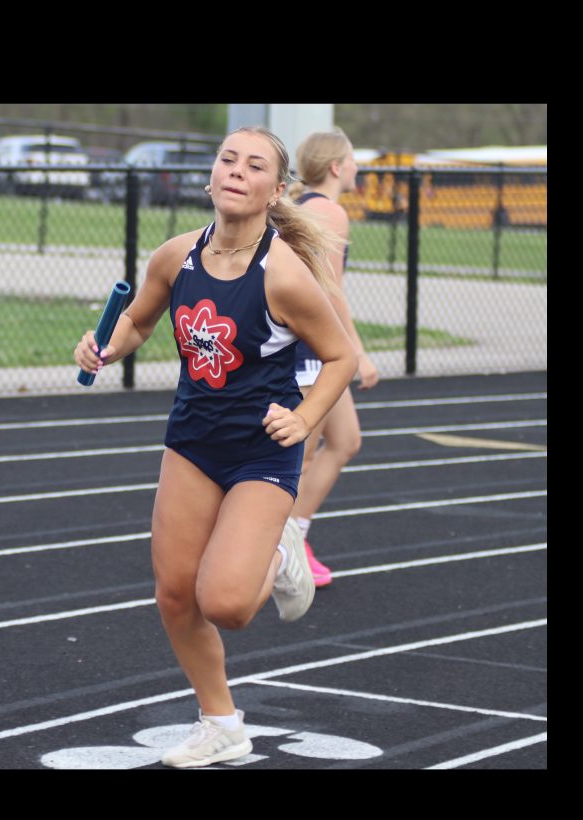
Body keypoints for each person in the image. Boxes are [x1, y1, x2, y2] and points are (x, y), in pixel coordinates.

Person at [74, 126, 357, 768]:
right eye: (228, 159)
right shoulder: (176, 256)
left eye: (254, 165)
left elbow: (339, 355)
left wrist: (306, 417)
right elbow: (139, 320)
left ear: (275, 191)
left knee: (225, 605)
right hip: (193, 441)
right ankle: (222, 723)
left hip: (261, 450)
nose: (236, 171)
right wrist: (105, 346)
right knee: (176, 595)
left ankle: (282, 549)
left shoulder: (283, 274)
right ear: (210, 176)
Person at [287, 129, 380, 587]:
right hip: (312, 350)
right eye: (353, 159)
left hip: (313, 346)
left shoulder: (307, 207)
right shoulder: (330, 212)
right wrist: (357, 352)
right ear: (337, 167)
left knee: (345, 440)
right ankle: (274, 545)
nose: (358, 167)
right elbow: (331, 291)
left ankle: (294, 536)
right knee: (297, 460)